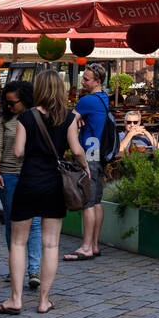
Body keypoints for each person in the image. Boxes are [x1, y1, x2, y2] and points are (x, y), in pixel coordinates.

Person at [0, 70, 88, 316]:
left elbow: (18, 151)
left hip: (28, 182)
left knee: (17, 241)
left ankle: (15, 299)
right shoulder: (68, 117)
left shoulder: (27, 116)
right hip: (54, 184)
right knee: (51, 244)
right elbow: (76, 150)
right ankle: (44, 300)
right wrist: (85, 166)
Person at [0, 80, 42, 291]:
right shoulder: (5, 117)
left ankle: (34, 270)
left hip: (31, 176)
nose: (9, 107)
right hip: (8, 175)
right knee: (13, 222)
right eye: (7, 103)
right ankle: (16, 267)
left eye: (13, 103)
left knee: (35, 222)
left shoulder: (38, 116)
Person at [65, 62, 111, 262]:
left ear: (97, 81)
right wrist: (79, 119)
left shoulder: (87, 101)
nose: (82, 81)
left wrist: (76, 119)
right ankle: (94, 245)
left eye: (86, 79)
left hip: (89, 153)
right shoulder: (103, 98)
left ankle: (85, 247)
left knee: (88, 202)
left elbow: (66, 120)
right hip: (99, 153)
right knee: (97, 201)